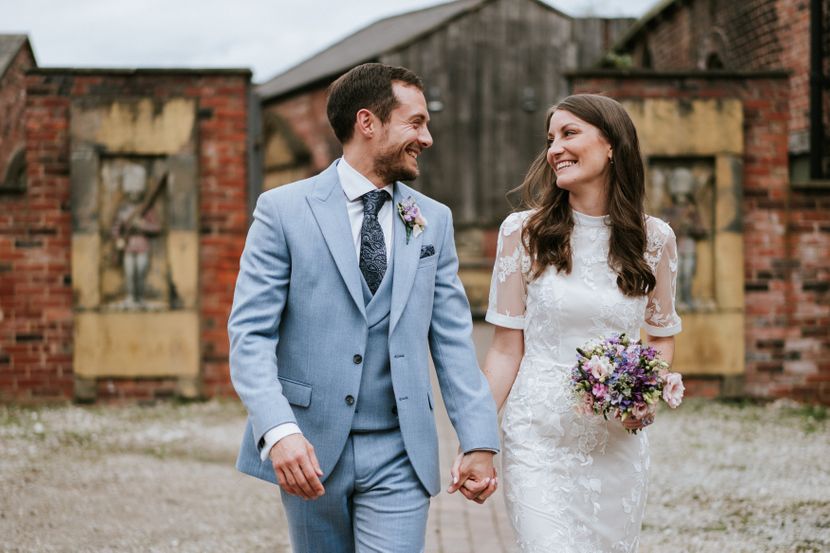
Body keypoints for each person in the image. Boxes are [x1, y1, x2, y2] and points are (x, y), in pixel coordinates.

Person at [228, 63, 500, 553]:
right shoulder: (282, 210)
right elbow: (250, 336)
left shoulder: (432, 221)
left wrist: (478, 439)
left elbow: (455, 341)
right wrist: (279, 430)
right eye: (415, 122)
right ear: (367, 122)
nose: (428, 137)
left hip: (401, 451)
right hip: (308, 450)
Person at [476, 94, 682, 552]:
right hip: (538, 437)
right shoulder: (523, 234)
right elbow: (506, 350)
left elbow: (662, 337)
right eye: (550, 139)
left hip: (616, 444)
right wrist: (476, 438)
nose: (555, 149)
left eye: (569, 134)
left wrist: (644, 389)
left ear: (612, 146)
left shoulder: (655, 240)